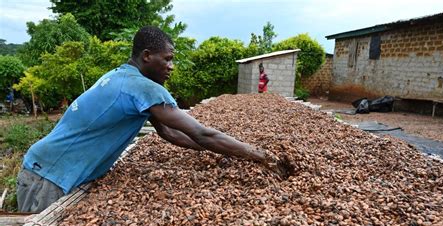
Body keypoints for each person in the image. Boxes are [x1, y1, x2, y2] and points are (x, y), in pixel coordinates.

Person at [17, 26, 284, 213]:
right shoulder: (143, 88)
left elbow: (170, 133)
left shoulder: (124, 76)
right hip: (48, 176)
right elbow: (203, 133)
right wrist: (259, 155)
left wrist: (222, 153)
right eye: (167, 59)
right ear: (147, 56)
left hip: (45, 166)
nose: (171, 66)